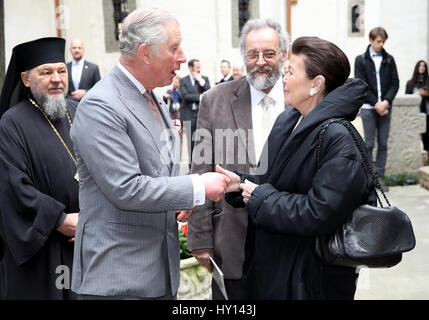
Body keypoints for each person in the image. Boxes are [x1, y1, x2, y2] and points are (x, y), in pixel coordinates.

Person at [69, 8, 229, 300]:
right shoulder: (100, 106)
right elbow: (126, 188)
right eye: (173, 48)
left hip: (154, 275)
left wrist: (183, 197)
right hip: (117, 278)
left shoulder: (152, 94)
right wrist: (197, 186)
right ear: (145, 53)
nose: (182, 56)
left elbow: (156, 172)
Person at [218, 37, 375, 299]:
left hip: (310, 278)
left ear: (316, 84)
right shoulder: (289, 121)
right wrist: (241, 184)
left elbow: (319, 212)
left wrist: (259, 197)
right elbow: (275, 182)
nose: (283, 79)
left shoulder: (338, 137)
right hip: (275, 267)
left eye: (290, 72)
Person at [187, 18, 288, 300]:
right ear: (243, 56)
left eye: (269, 53)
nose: (260, 62)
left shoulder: (300, 100)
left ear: (283, 54)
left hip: (289, 241)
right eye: (252, 54)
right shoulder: (214, 100)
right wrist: (200, 238)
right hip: (231, 241)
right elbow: (201, 172)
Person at [0, 37, 79, 299]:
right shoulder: (11, 124)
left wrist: (94, 218)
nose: (56, 78)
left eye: (61, 70)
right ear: (25, 79)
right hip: (43, 248)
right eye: (45, 72)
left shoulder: (78, 112)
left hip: (86, 239)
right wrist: (59, 220)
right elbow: (13, 186)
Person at [354, 27, 399, 191]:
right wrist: (376, 103)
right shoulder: (361, 60)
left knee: (383, 143)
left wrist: (385, 101)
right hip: (368, 108)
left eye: (383, 42)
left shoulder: (389, 59)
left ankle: (380, 177)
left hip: (385, 108)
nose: (381, 44)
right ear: (371, 40)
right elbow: (361, 84)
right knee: (369, 143)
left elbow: (395, 82)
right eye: (378, 41)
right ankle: (367, 178)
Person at [180, 59, 211, 167]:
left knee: (203, 141)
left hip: (203, 116)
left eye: (199, 66)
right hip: (189, 115)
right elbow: (185, 96)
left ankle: (202, 166)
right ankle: (191, 167)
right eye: (196, 67)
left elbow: (210, 92)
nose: (199, 69)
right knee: (191, 142)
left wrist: (201, 81)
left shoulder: (204, 79)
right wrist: (201, 97)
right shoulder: (183, 80)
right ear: (190, 68)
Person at [405, 60, 429, 151]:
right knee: (413, 135)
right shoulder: (410, 83)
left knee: (426, 135)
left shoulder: (428, 82)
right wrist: (416, 93)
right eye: (420, 65)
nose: (422, 67)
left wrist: (425, 93)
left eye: (424, 66)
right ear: (417, 67)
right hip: (414, 113)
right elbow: (406, 97)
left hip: (426, 112)